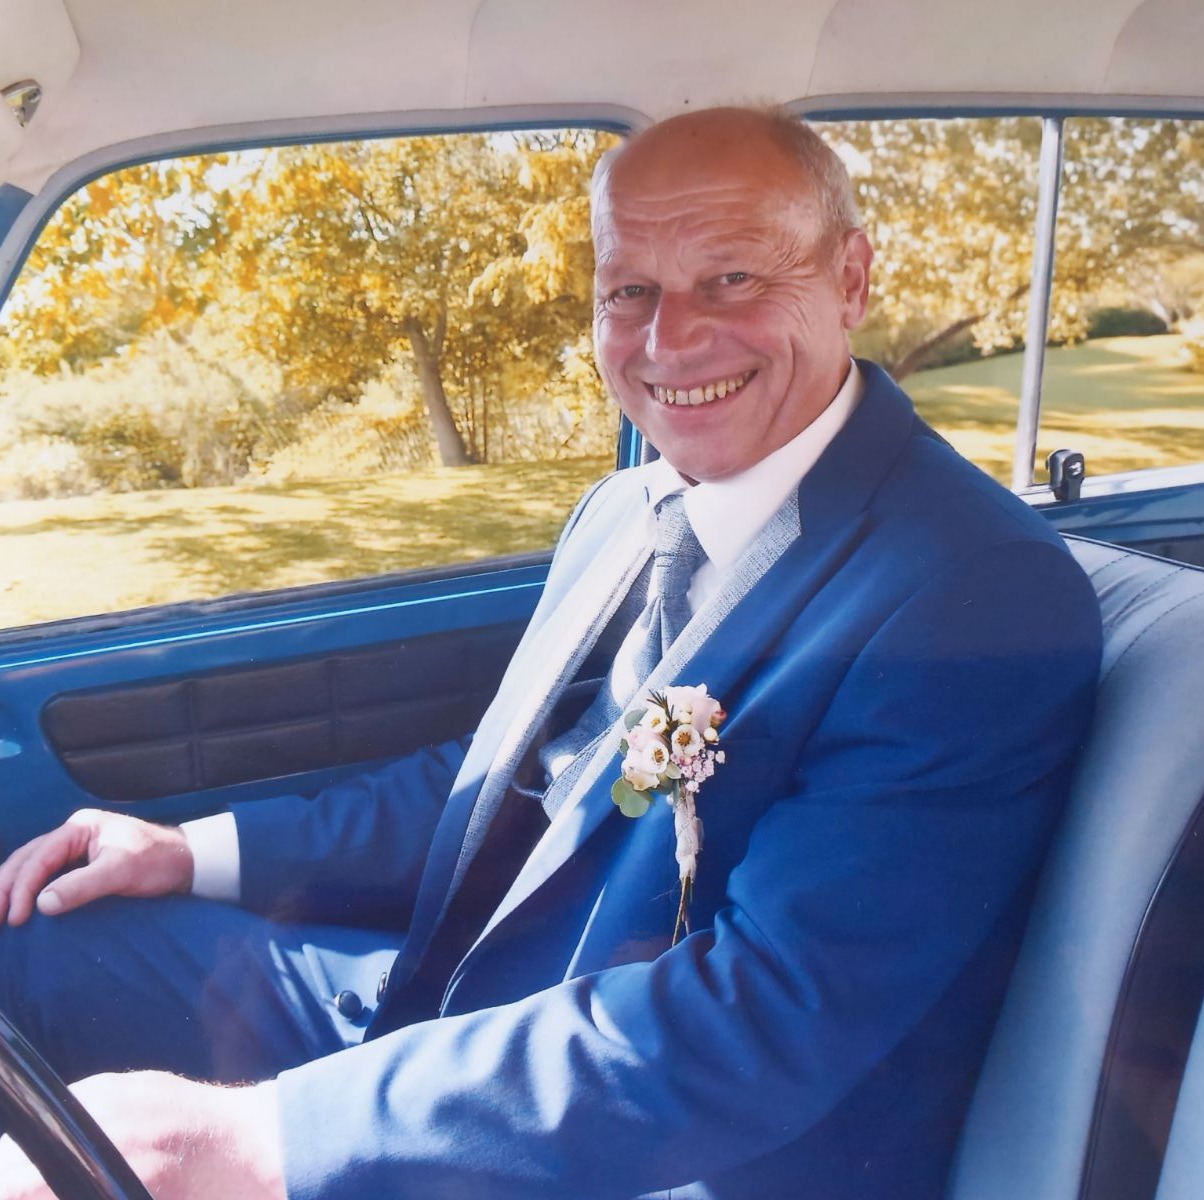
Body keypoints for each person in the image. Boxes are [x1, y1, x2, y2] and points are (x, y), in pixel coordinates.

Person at [0, 107, 1102, 1199]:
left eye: (731, 279)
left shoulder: (969, 590)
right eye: (631, 291)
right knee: (33, 937)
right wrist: (189, 852)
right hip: (451, 1005)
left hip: (651, 1144)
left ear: (850, 281)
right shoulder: (627, 511)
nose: (668, 340)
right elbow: (506, 785)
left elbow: (764, 1017)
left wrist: (257, 1140)